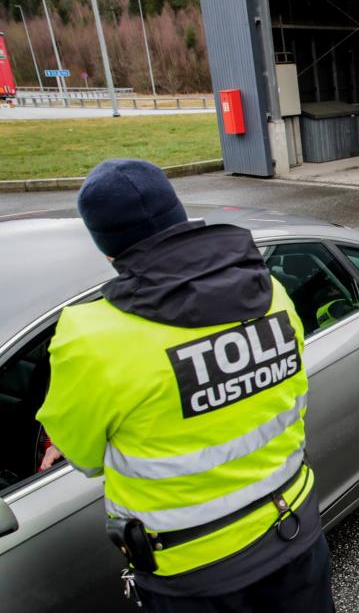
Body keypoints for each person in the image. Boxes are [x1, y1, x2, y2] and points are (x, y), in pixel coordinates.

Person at [35, 159, 335, 612]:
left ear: (108, 251)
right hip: (293, 530)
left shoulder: (89, 337)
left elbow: (84, 458)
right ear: (179, 216)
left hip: (192, 573)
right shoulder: (269, 290)